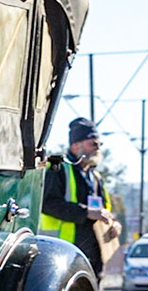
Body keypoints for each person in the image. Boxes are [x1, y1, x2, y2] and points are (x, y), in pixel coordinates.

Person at [42, 117, 118, 275]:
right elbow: (47, 204)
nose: (98, 148)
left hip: (94, 254)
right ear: (76, 145)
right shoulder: (59, 170)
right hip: (64, 252)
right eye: (93, 144)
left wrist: (113, 224)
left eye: (99, 144)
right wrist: (85, 212)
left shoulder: (95, 177)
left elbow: (106, 210)